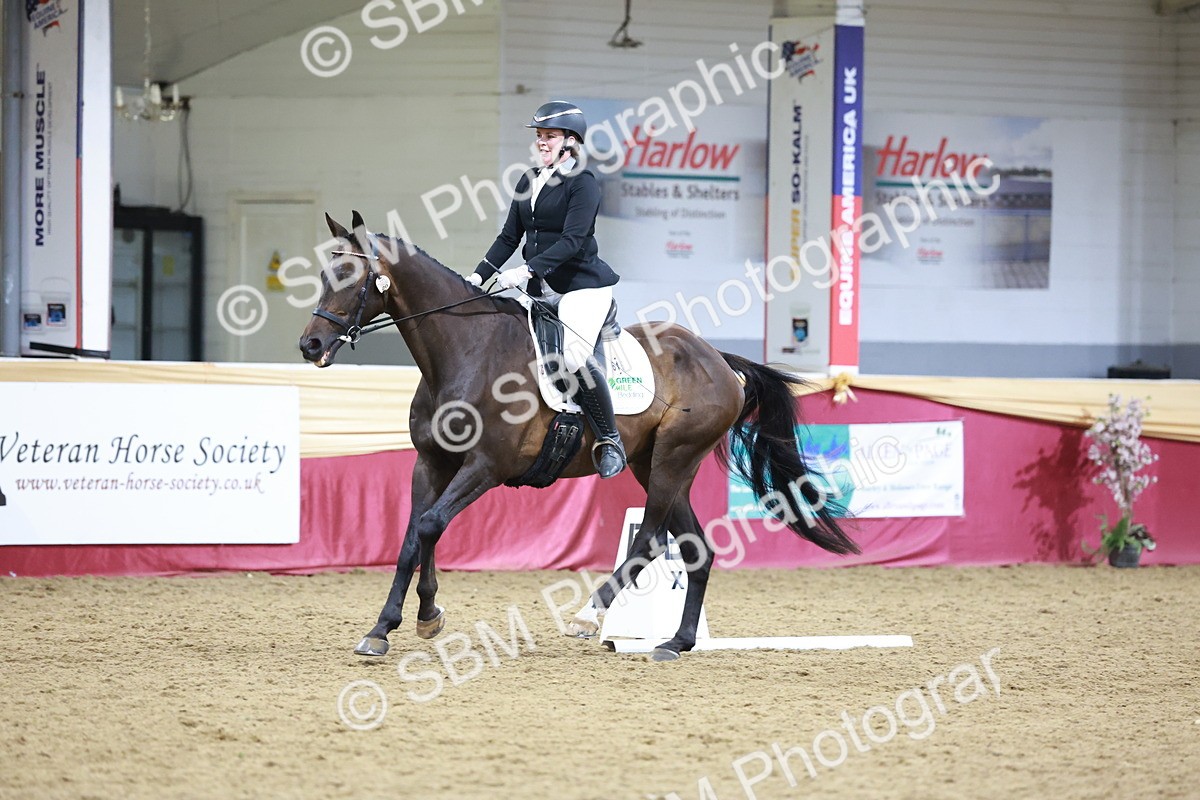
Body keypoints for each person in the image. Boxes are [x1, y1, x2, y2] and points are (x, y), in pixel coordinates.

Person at [467, 100, 626, 479]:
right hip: (540, 289)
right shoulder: (528, 180)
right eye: (539, 136)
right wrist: (476, 278)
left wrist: (524, 271)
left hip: (581, 288)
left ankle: (610, 440)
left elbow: (572, 241)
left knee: (572, 358)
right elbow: (509, 237)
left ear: (571, 142)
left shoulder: (583, 184)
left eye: (549, 136)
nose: (541, 143)